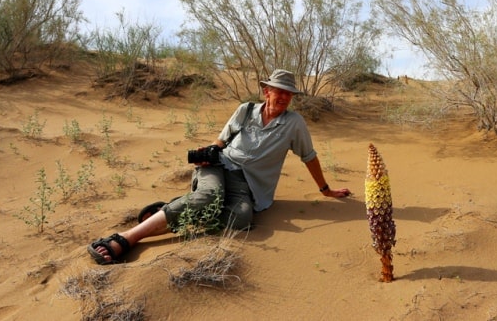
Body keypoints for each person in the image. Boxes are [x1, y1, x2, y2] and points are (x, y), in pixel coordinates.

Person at [87, 69, 352, 265]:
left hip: (247, 183)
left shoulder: (294, 124)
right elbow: (221, 139)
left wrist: (326, 190)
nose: (283, 97)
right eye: (278, 90)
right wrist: (210, 151)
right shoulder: (246, 110)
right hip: (219, 166)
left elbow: (309, 157)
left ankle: (169, 210)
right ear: (266, 91)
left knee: (241, 218)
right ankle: (127, 238)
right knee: (210, 196)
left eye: (288, 93)